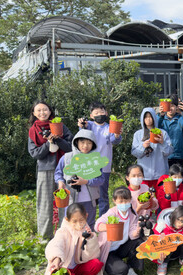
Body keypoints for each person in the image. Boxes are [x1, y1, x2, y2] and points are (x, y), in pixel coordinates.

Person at [43, 203, 104, 275]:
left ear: (86, 216)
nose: (79, 224)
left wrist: (90, 239)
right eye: (74, 221)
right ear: (67, 220)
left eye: (81, 220)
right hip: (67, 268)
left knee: (96, 264)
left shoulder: (86, 230)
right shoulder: (63, 231)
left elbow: (92, 253)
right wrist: (57, 258)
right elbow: (56, 244)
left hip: (79, 265)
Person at [28, 101, 73, 239]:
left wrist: (58, 140)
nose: (42, 113)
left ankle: (64, 234)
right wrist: (48, 144)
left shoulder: (60, 127)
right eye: (39, 110)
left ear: (50, 111)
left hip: (65, 169)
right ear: (34, 114)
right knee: (44, 203)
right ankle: (44, 237)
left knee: (65, 202)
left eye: (45, 109)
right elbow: (34, 153)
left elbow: (71, 147)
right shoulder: (33, 130)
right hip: (44, 170)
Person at [78, 102, 123, 216]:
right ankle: (87, 219)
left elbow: (114, 140)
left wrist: (117, 135)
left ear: (106, 113)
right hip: (89, 165)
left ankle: (103, 219)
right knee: (87, 194)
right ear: (91, 115)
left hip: (104, 167)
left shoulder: (110, 127)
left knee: (103, 195)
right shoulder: (90, 125)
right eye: (96, 113)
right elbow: (82, 134)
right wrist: (81, 124)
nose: (99, 114)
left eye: (102, 112)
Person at [55, 129, 105, 230]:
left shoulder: (96, 161)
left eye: (89, 143)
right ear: (76, 142)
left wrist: (86, 181)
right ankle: (71, 245)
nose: (85, 146)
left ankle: (87, 245)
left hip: (89, 200)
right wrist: (60, 182)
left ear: (93, 145)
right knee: (70, 225)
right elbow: (58, 173)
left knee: (88, 225)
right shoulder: (67, 157)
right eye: (82, 142)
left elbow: (101, 179)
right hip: (71, 200)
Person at [95, 187, 143, 275]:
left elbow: (132, 234)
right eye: (120, 201)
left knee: (139, 242)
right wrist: (110, 227)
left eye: (126, 201)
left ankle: (132, 266)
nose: (124, 204)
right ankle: (123, 268)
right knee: (120, 270)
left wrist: (136, 232)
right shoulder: (112, 213)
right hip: (109, 251)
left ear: (130, 200)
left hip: (121, 247)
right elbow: (97, 225)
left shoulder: (132, 214)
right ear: (114, 201)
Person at [131, 107, 173, 188]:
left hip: (160, 174)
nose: (148, 119)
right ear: (142, 119)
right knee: (145, 198)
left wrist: (162, 143)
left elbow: (168, 152)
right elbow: (134, 153)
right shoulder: (138, 134)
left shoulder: (162, 133)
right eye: (146, 117)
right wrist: (143, 146)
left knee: (160, 198)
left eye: (150, 116)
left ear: (154, 118)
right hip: (143, 174)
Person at [153, 206, 183, 275]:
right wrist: (159, 258)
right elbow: (153, 246)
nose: (181, 224)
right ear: (173, 217)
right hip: (165, 254)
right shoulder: (161, 226)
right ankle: (163, 263)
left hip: (178, 251)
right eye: (179, 220)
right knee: (167, 241)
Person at [158, 95, 183, 168]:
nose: (170, 108)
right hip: (164, 155)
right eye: (168, 105)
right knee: (165, 178)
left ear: (177, 107)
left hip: (178, 155)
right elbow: (156, 127)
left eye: (173, 106)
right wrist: (160, 115)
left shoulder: (180, 119)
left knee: (178, 178)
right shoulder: (162, 119)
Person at [125, 164, 159, 229]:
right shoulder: (125, 193)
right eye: (133, 176)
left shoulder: (145, 187)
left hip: (147, 221)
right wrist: (139, 208)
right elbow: (126, 216)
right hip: (132, 223)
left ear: (143, 176)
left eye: (139, 175)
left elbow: (155, 207)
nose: (137, 178)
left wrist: (151, 200)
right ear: (127, 178)